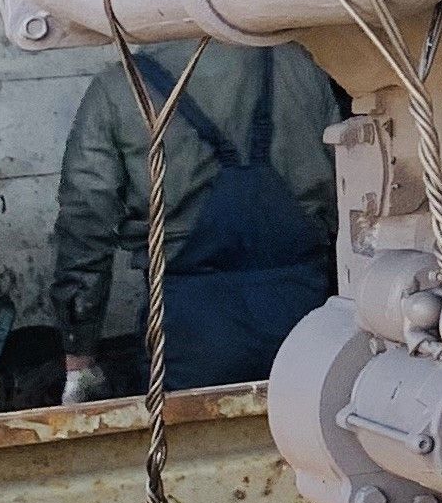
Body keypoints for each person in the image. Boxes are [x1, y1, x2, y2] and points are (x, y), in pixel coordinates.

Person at [50, 39, 347, 400]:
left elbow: (84, 226)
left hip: (189, 339)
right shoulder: (304, 65)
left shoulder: (118, 88)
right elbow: (348, 191)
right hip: (308, 330)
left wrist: (79, 354)